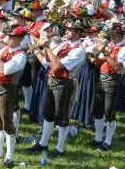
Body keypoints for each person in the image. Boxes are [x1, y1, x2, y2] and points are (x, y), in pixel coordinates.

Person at [29, 20, 86, 156]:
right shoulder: (64, 44)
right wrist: (38, 50)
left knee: (62, 116)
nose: (66, 31)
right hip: (52, 79)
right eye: (66, 29)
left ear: (78, 33)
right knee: (48, 113)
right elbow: (48, 62)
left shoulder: (79, 50)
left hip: (65, 83)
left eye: (70, 30)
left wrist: (47, 47)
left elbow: (58, 65)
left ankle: (60, 148)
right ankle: (43, 143)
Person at [0, 25, 28, 168]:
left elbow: (4, 69)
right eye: (9, 36)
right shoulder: (5, 50)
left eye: (13, 37)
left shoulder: (21, 55)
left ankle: (9, 156)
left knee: (7, 123)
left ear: (20, 39)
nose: (9, 39)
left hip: (7, 90)